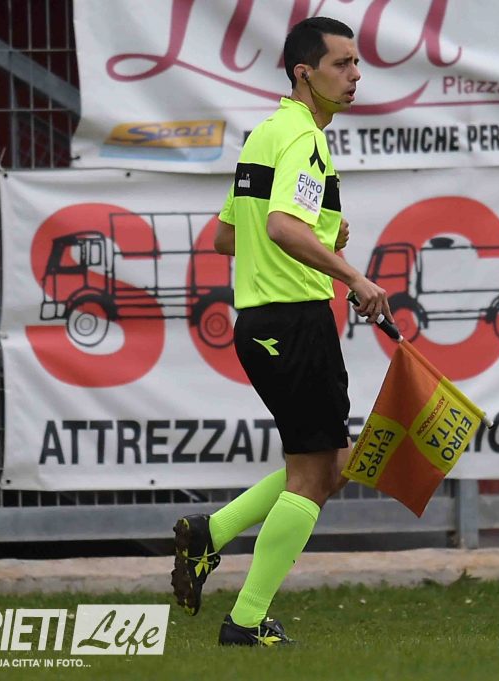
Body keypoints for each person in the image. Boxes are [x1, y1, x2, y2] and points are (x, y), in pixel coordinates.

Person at [170, 16, 392, 647]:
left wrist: (321, 231)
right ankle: (245, 620)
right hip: (294, 322)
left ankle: (210, 535)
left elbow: (226, 236)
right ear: (304, 72)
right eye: (342, 64)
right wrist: (354, 276)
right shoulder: (303, 138)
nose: (355, 75)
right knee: (317, 476)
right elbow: (281, 227)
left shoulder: (267, 133)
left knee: (325, 466)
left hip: (264, 324)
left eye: (356, 63)